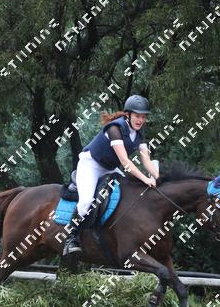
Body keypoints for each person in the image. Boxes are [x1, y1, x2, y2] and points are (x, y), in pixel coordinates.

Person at [62, 94, 159, 259]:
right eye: (137, 116)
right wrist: (145, 179)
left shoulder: (140, 133)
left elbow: (146, 160)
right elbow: (125, 162)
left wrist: (157, 176)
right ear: (128, 114)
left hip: (110, 169)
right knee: (86, 202)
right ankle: (70, 239)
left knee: (129, 193)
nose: (140, 120)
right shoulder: (115, 129)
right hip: (91, 165)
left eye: (143, 116)